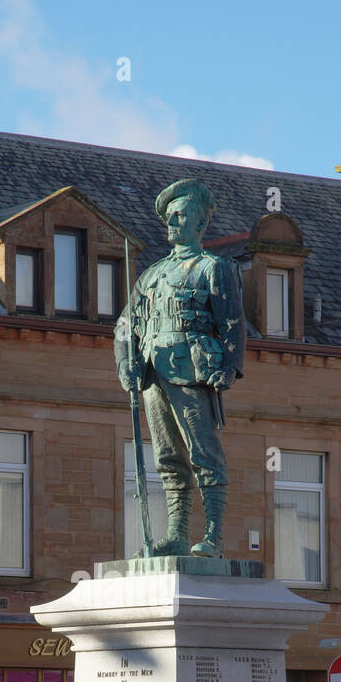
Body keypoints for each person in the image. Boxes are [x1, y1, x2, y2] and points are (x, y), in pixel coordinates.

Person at [114, 178, 246, 558]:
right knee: (168, 458)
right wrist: (126, 363)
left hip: (193, 371)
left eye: (181, 215)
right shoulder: (151, 275)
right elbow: (125, 325)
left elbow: (233, 323)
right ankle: (175, 534)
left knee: (204, 454)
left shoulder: (213, 268)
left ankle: (213, 536)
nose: (173, 223)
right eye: (170, 216)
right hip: (153, 375)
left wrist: (228, 366)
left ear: (200, 224)